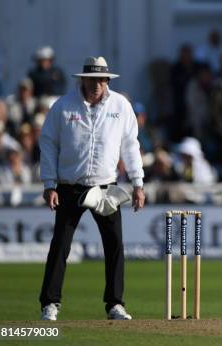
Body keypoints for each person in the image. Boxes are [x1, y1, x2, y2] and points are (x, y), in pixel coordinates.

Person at [38, 57, 145, 321]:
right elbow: (49, 144)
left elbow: (131, 146)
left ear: (107, 80)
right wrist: (49, 183)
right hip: (69, 186)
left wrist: (138, 183)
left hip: (106, 188)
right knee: (60, 245)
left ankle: (115, 305)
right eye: (92, 79)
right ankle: (49, 304)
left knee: (115, 245)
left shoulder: (121, 106)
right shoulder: (63, 106)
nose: (97, 84)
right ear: (82, 80)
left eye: (101, 79)